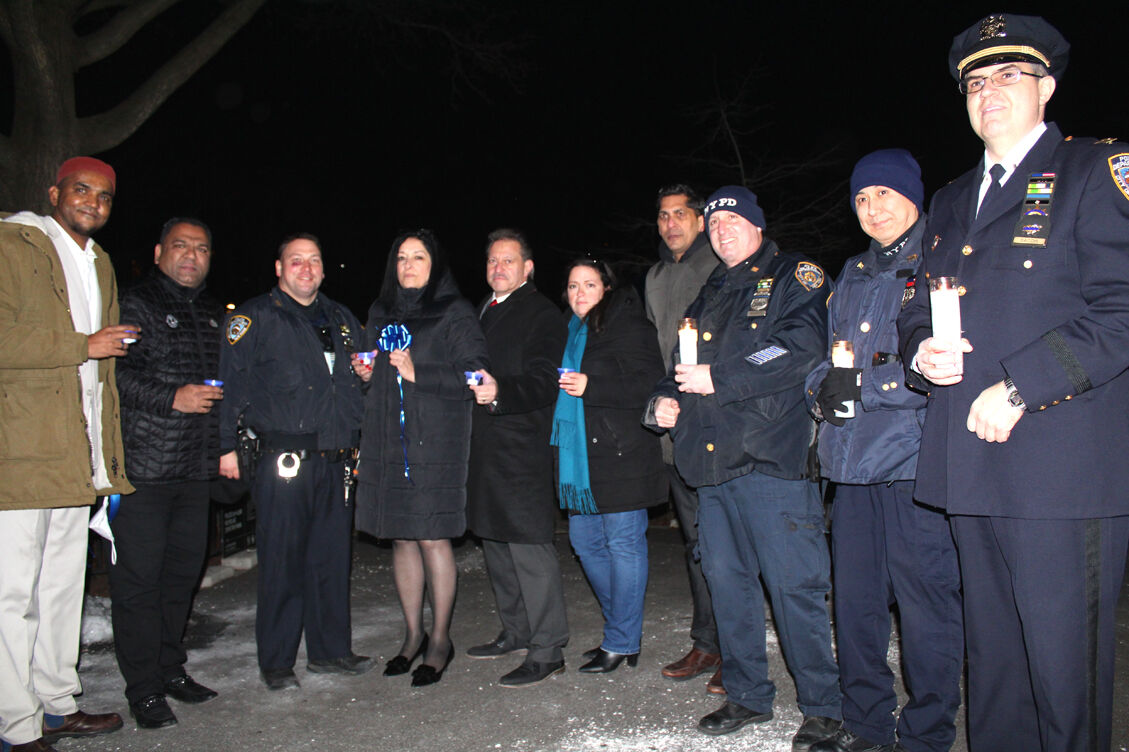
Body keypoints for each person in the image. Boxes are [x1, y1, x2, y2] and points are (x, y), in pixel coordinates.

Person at [897, 14, 1129, 752]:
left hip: (1058, 474)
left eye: (1007, 75)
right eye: (974, 80)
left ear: (1046, 88)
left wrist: (1024, 385)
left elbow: (1121, 308)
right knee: (992, 668)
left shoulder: (1096, 170)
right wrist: (918, 353)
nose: (987, 91)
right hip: (970, 468)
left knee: (1063, 677)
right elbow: (914, 304)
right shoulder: (950, 198)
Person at [644, 186, 841, 750]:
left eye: (733, 219)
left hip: (769, 463)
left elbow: (798, 346)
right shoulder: (712, 289)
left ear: (757, 223)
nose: (723, 229)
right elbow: (680, 366)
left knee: (793, 588)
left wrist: (721, 377)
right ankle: (750, 695)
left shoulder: (792, 276)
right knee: (728, 587)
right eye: (716, 223)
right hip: (711, 464)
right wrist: (661, 401)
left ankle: (825, 707)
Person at [805, 152, 962, 752]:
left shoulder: (940, 260)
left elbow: (942, 362)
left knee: (926, 612)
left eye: (885, 195)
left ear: (914, 198)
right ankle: (866, 724)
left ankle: (926, 734)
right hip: (849, 466)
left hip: (913, 465)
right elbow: (827, 358)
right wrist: (820, 389)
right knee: (858, 607)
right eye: (862, 199)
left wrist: (868, 385)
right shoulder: (852, 272)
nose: (873, 209)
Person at [0, 157, 131, 752]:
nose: (93, 203)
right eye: (82, 191)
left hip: (77, 449)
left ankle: (56, 704)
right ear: (54, 192)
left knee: (60, 588)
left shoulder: (97, 261)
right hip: (24, 446)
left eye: (104, 196)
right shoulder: (14, 244)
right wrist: (83, 344)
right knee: (13, 595)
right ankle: (15, 722)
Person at [218, 233, 370, 691]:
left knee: (331, 560)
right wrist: (225, 447)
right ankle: (278, 661)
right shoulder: (253, 317)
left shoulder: (342, 318)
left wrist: (365, 377)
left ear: (323, 269)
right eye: (296, 260)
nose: (307, 268)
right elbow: (231, 385)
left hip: (336, 458)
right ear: (279, 269)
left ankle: (330, 652)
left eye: (315, 261)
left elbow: (355, 383)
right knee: (283, 561)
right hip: (284, 460)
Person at [353, 230, 488, 687]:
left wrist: (418, 370)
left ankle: (440, 640)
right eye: (402, 258)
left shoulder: (454, 311)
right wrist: (366, 374)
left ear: (436, 265)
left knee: (432, 537)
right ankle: (411, 636)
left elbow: (474, 376)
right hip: (390, 438)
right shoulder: (379, 311)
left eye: (419, 257)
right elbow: (373, 377)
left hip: (436, 440)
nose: (409, 265)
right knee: (402, 539)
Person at [112, 218, 224, 728]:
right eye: (180, 246)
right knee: (140, 582)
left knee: (181, 576)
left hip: (195, 468)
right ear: (159, 251)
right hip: (146, 470)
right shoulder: (135, 303)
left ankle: (168, 666)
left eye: (200, 249)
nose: (190, 256)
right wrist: (172, 398)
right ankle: (143, 688)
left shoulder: (210, 313)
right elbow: (118, 375)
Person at [465, 229, 570, 687]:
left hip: (522, 445)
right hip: (484, 446)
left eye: (508, 260)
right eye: (492, 261)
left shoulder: (542, 313)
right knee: (495, 542)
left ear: (528, 267)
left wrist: (500, 393)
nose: (498, 268)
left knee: (529, 547)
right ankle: (515, 630)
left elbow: (545, 380)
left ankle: (548, 649)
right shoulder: (482, 309)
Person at [552, 258, 665, 674]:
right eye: (572, 285)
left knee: (623, 544)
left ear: (607, 289)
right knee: (585, 542)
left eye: (589, 285)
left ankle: (620, 639)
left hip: (622, 453)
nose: (579, 294)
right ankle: (624, 627)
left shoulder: (628, 324)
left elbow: (650, 382)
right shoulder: (570, 332)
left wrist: (591, 385)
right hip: (581, 457)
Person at [643, 185, 722, 691]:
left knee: (726, 543)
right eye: (664, 216)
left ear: (699, 220)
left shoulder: (718, 265)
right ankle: (708, 643)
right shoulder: (654, 277)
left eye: (681, 214)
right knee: (696, 542)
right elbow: (656, 353)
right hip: (674, 429)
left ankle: (735, 648)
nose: (672, 223)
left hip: (717, 423)